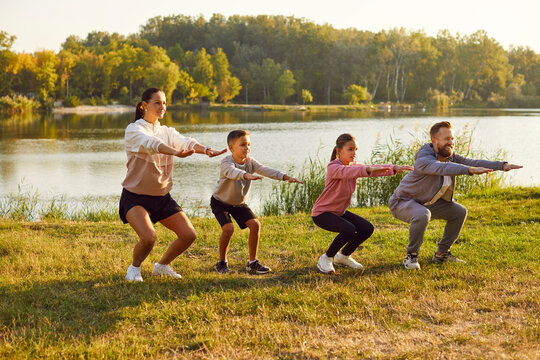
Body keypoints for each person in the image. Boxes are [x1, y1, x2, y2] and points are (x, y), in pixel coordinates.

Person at [120, 87, 226, 282]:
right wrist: (175, 152)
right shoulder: (134, 129)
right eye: (157, 102)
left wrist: (207, 150)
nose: (162, 107)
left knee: (189, 235)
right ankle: (134, 269)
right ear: (144, 106)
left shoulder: (167, 131)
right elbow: (151, 143)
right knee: (149, 237)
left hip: (161, 197)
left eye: (165, 103)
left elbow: (186, 142)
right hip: (135, 197)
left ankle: (162, 265)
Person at [388, 121, 522, 270]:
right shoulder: (423, 160)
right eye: (447, 139)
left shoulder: (449, 157)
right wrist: (469, 170)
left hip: (425, 202)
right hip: (402, 202)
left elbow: (473, 162)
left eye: (452, 139)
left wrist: (502, 166)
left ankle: (441, 254)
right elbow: (442, 168)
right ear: (434, 141)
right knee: (422, 214)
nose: (451, 142)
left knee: (459, 211)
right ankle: (411, 256)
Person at [312, 133, 413, 274]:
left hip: (339, 212)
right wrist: (367, 169)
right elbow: (352, 171)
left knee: (367, 228)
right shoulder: (333, 167)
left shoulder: (353, 167)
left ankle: (343, 256)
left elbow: (371, 169)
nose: (354, 153)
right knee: (348, 229)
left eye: (356, 150)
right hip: (322, 214)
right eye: (350, 149)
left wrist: (393, 168)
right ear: (339, 151)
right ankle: (326, 258)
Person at [211, 130, 303, 274]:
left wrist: (285, 177)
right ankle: (221, 263)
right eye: (242, 145)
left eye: (248, 144)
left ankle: (252, 263)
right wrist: (247, 176)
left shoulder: (250, 162)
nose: (247, 148)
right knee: (228, 228)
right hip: (220, 202)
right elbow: (233, 172)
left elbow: (266, 170)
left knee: (255, 225)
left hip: (239, 204)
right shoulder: (226, 162)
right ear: (231, 148)